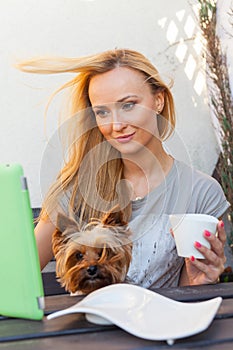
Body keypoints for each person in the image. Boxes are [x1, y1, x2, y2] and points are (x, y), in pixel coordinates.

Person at [17, 48, 230, 289]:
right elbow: (16, 275)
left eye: (128, 105)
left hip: (161, 323)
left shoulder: (201, 192)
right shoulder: (77, 187)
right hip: (90, 326)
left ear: (158, 100)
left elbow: (185, 294)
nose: (116, 125)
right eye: (103, 112)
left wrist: (199, 279)